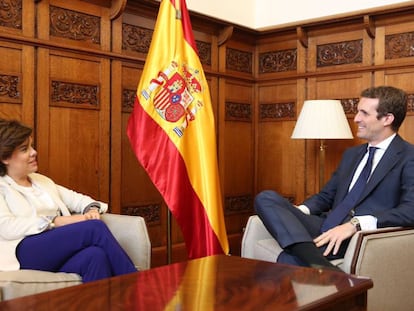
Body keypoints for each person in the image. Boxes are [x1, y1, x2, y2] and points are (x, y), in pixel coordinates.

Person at [255, 86, 414, 271]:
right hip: (326, 224)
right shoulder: (352, 155)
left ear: (387, 119)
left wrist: (356, 224)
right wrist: (296, 212)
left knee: (289, 258)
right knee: (265, 198)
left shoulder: (408, 157)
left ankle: (308, 256)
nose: (356, 119)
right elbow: (325, 197)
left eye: (364, 113)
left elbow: (410, 210)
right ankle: (319, 262)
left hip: (356, 236)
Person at [0, 119, 137, 281]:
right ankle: (140, 288)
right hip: (21, 252)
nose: (34, 152)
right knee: (93, 228)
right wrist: (55, 221)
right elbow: (6, 227)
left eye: (31, 146)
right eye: (24, 149)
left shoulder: (41, 181)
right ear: (5, 158)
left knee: (95, 256)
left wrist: (91, 210)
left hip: (53, 249)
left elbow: (80, 200)